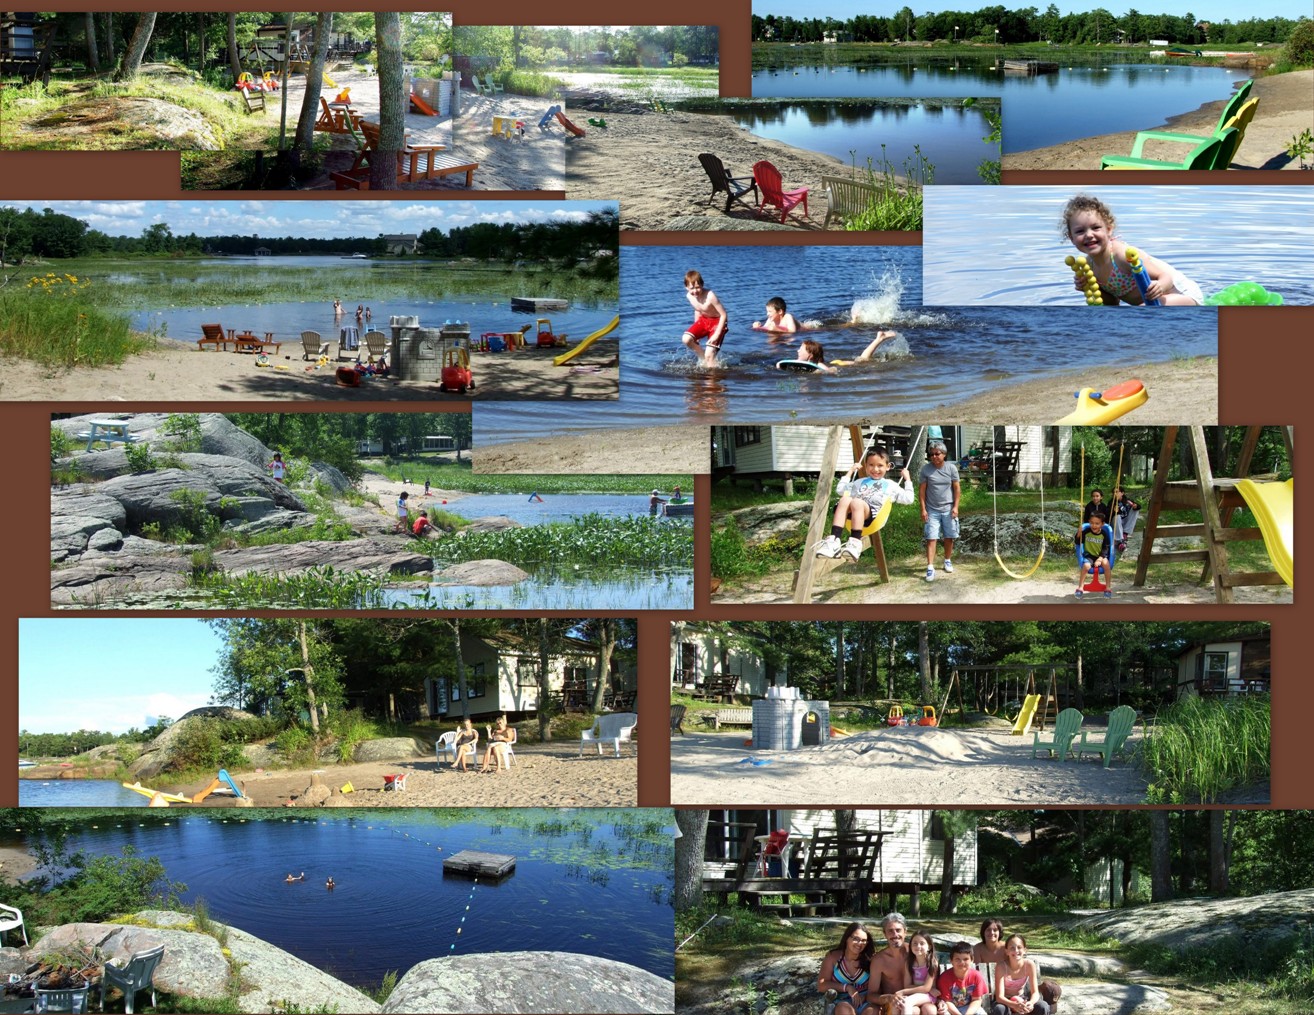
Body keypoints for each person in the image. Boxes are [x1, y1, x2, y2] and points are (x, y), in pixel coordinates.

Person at [1061, 194, 1202, 306]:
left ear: (1109, 229)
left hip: (1183, 295)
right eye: (1080, 231)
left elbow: (1166, 277)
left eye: (1096, 228)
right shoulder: (1089, 266)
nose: (1089, 235)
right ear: (1071, 238)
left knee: (1142, 312)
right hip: (1150, 305)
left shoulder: (1122, 255)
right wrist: (1089, 287)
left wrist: (1160, 286)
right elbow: (1112, 303)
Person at [814, 450, 914, 561]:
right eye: (871, 465)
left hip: (872, 516)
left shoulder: (890, 485)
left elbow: (908, 499)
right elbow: (840, 490)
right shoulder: (859, 482)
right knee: (845, 499)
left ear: (888, 466)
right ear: (865, 466)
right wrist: (851, 471)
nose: (875, 469)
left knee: (856, 502)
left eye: (880, 465)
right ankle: (833, 540)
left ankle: (855, 541)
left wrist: (907, 479)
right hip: (853, 514)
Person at [920, 441, 961, 582]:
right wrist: (923, 509)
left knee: (949, 536)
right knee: (931, 538)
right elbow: (922, 491)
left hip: (948, 508)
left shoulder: (951, 468)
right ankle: (930, 567)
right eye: (931, 454)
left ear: (944, 454)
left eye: (937, 454)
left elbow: (956, 489)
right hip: (932, 509)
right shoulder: (926, 469)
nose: (934, 456)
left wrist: (956, 507)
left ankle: (947, 560)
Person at [818, 922, 874, 1015]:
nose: (860, 943)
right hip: (842, 1001)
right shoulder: (833, 957)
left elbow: (879, 985)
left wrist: (866, 997)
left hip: (865, 1000)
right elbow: (821, 985)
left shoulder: (870, 959)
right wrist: (847, 987)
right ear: (847, 938)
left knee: (873, 1011)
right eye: (856, 939)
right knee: (845, 1010)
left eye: (864, 940)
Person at [680, 270, 728, 367]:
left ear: (702, 284)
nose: (695, 291)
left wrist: (717, 334)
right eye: (691, 288)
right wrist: (697, 336)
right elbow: (697, 310)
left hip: (717, 322)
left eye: (697, 287)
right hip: (704, 320)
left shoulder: (710, 296)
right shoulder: (689, 296)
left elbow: (724, 315)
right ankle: (702, 356)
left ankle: (713, 377)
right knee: (686, 339)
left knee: (709, 355)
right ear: (686, 288)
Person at [992, 935, 1050, 1015]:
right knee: (999, 1009)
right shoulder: (1001, 967)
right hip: (1004, 1001)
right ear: (1007, 951)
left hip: (1022, 999)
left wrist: (1031, 1003)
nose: (1016, 951)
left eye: (1019, 947)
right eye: (1012, 948)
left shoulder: (1029, 965)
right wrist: (1014, 1005)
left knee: (1043, 1006)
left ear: (1025, 950)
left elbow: (1035, 993)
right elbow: (999, 997)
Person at [868, 912, 912, 1011]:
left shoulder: (914, 952)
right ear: (885, 934)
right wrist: (889, 998)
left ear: (905, 931)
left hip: (914, 1002)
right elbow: (871, 995)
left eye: (898, 930)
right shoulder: (879, 960)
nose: (895, 935)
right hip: (891, 1006)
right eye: (890, 931)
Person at [936, 942, 989, 1015]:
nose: (961, 962)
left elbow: (977, 1000)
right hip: (950, 1008)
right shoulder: (944, 978)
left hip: (969, 1007)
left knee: (981, 1013)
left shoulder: (976, 976)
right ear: (951, 961)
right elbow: (947, 1001)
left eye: (965, 959)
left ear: (972, 960)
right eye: (957, 959)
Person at [894, 931, 938, 1015]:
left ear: (929, 946)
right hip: (916, 993)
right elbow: (907, 985)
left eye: (922, 943)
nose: (918, 946)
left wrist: (903, 992)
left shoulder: (932, 963)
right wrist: (925, 987)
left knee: (906, 1002)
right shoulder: (909, 963)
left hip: (929, 995)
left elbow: (926, 989)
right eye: (914, 943)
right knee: (897, 1004)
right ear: (910, 946)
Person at [1076, 511, 1113, 598]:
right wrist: (1079, 532)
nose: (1094, 525)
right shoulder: (1086, 532)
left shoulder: (1104, 534)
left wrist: (1100, 558)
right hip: (1089, 555)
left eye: (1097, 523)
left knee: (1106, 565)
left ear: (1102, 524)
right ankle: (1080, 587)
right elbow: (1078, 542)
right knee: (1086, 566)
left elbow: (1106, 548)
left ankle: (1108, 587)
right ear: (1089, 522)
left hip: (1101, 555)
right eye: (1092, 523)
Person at [1111, 486, 1141, 553]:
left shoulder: (1127, 501)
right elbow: (1108, 514)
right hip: (1116, 523)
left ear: (1122, 493)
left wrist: (1136, 506)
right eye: (1113, 493)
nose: (1115, 494)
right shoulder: (1112, 502)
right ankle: (1120, 541)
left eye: (1117, 492)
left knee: (1136, 510)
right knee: (1117, 516)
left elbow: (1138, 506)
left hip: (1125, 522)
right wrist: (1114, 511)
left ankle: (1125, 533)